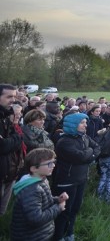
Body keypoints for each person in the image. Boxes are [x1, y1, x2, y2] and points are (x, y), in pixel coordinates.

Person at [53, 112, 100, 241]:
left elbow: (97, 147)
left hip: (81, 180)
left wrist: (88, 155)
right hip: (67, 181)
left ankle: (69, 233)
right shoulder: (64, 141)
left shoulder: (84, 137)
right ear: (73, 124)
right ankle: (58, 236)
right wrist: (89, 154)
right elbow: (80, 157)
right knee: (64, 211)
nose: (86, 125)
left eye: (86, 122)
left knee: (75, 209)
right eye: (82, 123)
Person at [10, 148, 68, 241]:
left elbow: (43, 201)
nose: (53, 165)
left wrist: (57, 199)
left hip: (40, 233)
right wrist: (59, 207)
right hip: (30, 236)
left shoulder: (41, 179)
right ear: (34, 168)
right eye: (49, 164)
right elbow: (36, 219)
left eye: (54, 162)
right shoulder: (31, 190)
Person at [0, 87, 25, 216]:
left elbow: (16, 140)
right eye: (9, 97)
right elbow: (3, 146)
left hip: (9, 170)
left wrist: (13, 139)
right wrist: (16, 138)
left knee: (2, 211)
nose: (13, 100)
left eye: (14, 97)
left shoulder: (5, 116)